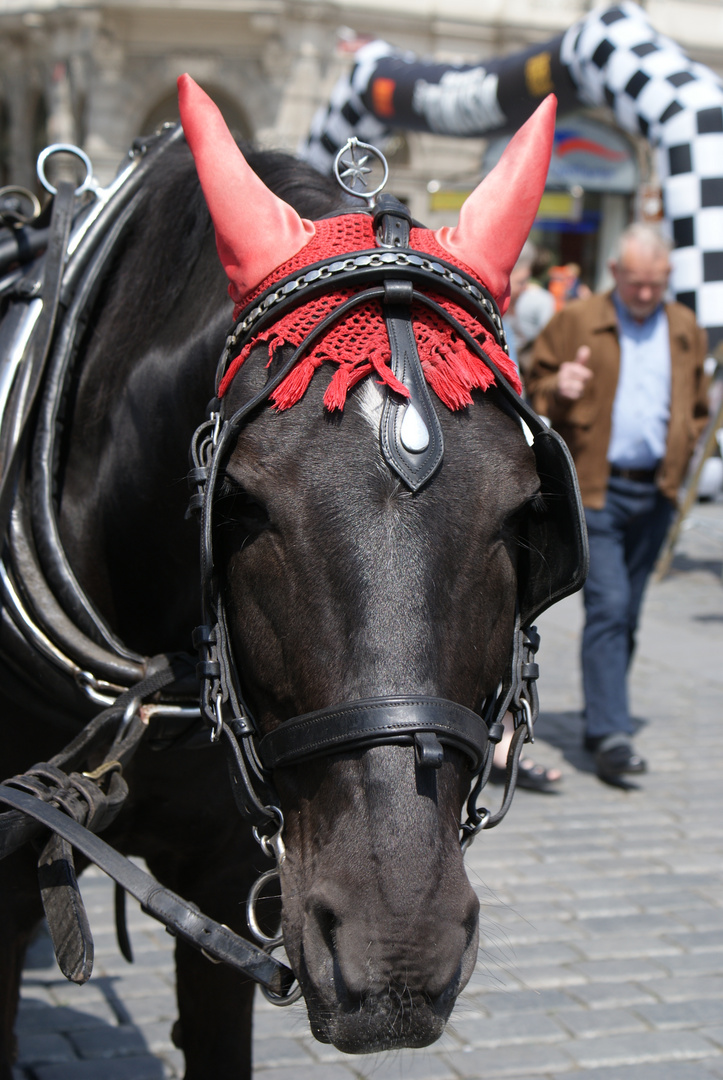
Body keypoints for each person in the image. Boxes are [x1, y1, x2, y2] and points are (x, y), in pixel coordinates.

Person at [526, 223, 709, 784]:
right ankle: (610, 732)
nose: (646, 294)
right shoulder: (577, 320)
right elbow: (533, 383)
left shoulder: (683, 328)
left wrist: (684, 457)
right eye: (636, 283)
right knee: (608, 606)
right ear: (615, 275)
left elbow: (697, 401)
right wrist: (562, 386)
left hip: (654, 489)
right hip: (596, 487)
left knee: (627, 612)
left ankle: (603, 716)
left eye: (656, 284)